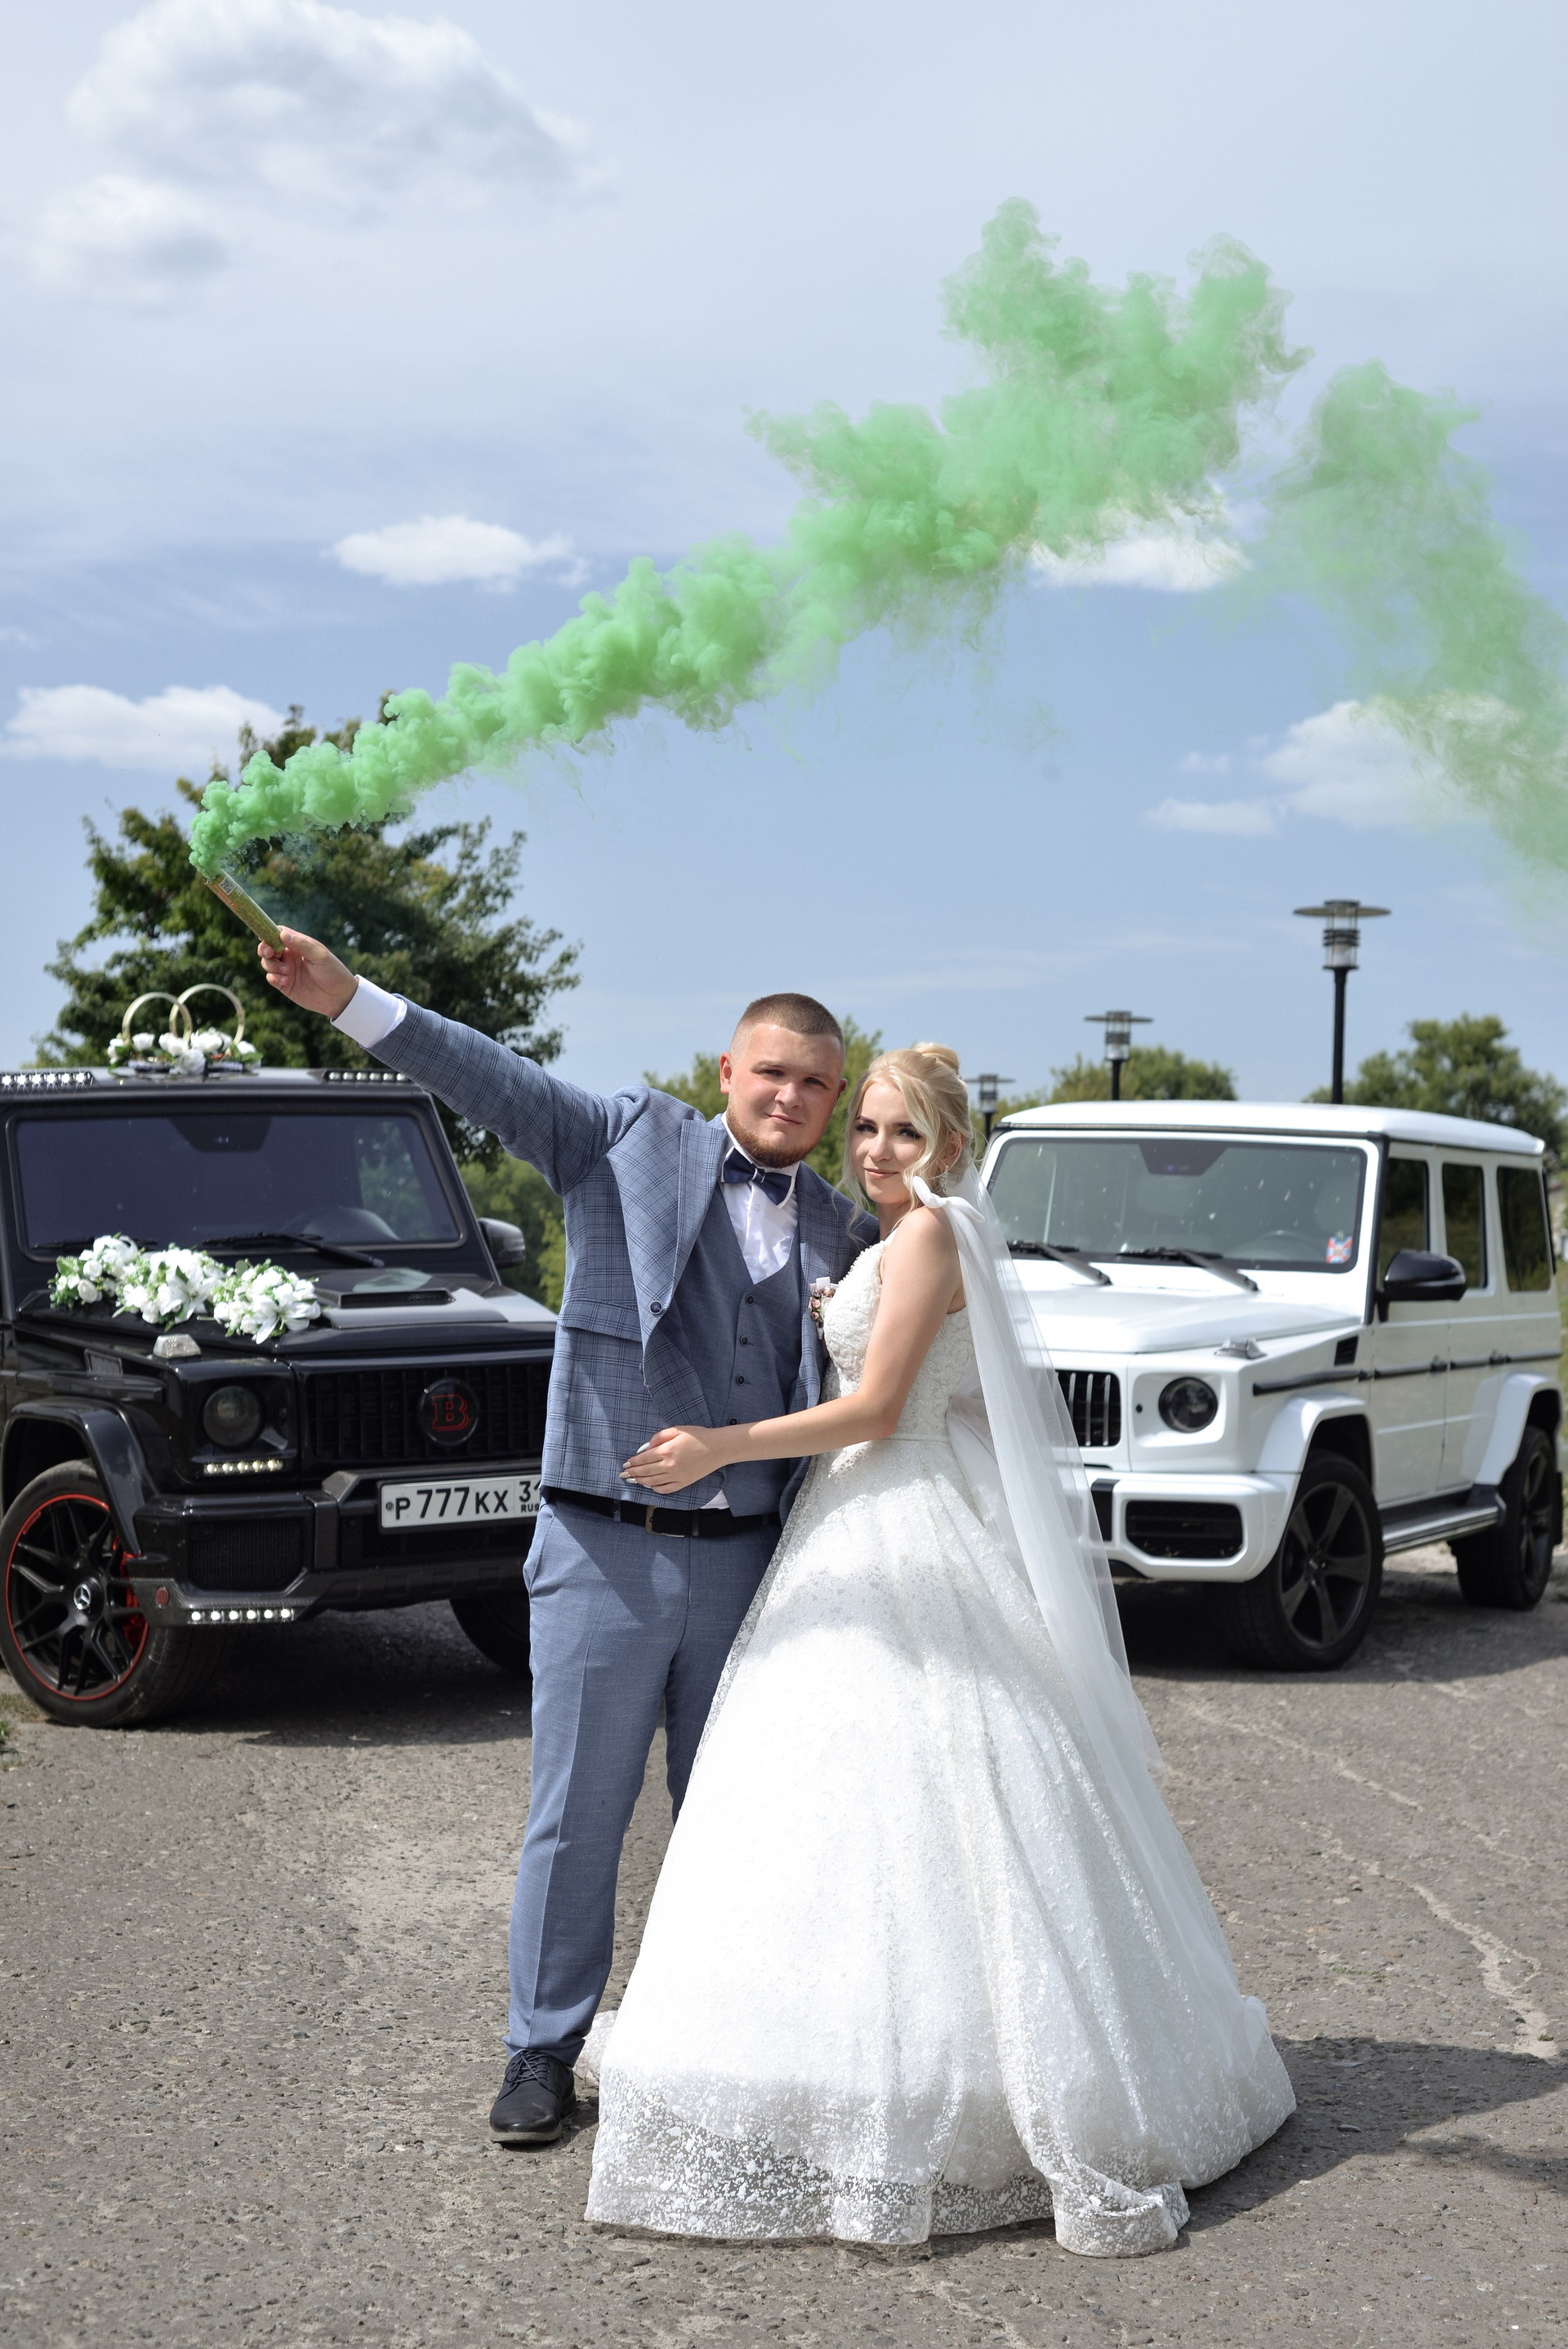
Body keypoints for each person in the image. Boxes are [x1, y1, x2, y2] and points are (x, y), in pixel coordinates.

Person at [589, 1045, 1295, 2254]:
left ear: (952, 1148)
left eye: (902, 1133)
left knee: (911, 1788)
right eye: (864, 1128)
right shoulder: (918, 1238)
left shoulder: (924, 1237)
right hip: (883, 1504)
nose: (874, 1151)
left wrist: (719, 1444)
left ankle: (918, 2087)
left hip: (891, 1508)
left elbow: (877, 1411)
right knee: (855, 1799)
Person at [256, 928, 875, 2146]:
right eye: (770, 1072)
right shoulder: (624, 1141)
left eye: (814, 1082)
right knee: (578, 1815)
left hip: (755, 1562)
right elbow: (488, 1074)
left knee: (737, 1819)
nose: (789, 1097)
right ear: (727, 1071)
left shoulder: (848, 1236)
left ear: (836, 1096)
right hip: (604, 1545)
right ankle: (542, 2050)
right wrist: (350, 999)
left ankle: (723, 2051)